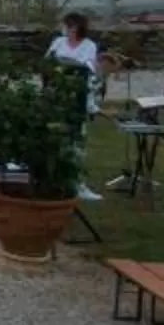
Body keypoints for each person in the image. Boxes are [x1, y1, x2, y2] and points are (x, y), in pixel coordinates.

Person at [48, 11, 106, 203]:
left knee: (77, 142)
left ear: (75, 27)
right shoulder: (58, 42)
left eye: (67, 25)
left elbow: (88, 68)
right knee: (55, 140)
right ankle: (55, 181)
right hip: (56, 96)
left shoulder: (89, 46)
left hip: (77, 98)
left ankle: (78, 184)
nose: (64, 29)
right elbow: (47, 62)